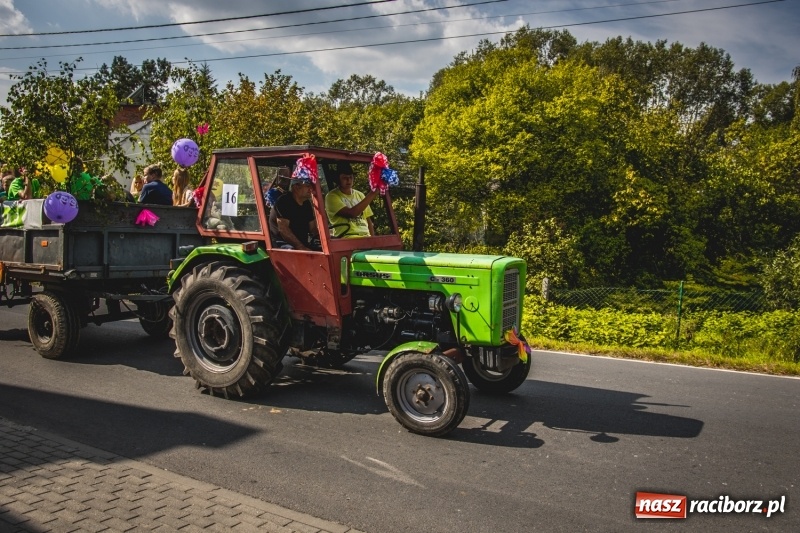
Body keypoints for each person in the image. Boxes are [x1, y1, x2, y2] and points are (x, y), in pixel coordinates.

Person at [325, 162, 378, 238]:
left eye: (351, 177)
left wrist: (373, 239)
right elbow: (352, 213)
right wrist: (373, 193)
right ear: (337, 179)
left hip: (366, 237)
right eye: (345, 178)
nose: (349, 180)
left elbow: (368, 220)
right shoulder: (331, 196)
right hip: (347, 238)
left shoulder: (360, 195)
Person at [270, 175, 318, 250]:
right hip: (282, 243)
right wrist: (300, 247)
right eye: (308, 186)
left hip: (301, 243)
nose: (311, 189)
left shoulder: (306, 203)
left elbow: (313, 228)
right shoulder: (284, 202)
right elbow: (283, 229)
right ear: (296, 187)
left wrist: (326, 239)